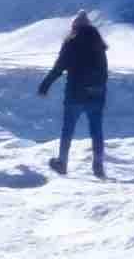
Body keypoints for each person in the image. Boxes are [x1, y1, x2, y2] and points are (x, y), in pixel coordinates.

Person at [37, 13, 109, 177]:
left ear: (74, 27)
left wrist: (45, 85)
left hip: (75, 93)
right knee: (96, 130)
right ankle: (98, 165)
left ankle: (62, 162)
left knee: (68, 129)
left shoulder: (71, 42)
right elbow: (104, 72)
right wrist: (100, 91)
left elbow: (59, 67)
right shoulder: (99, 44)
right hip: (96, 94)